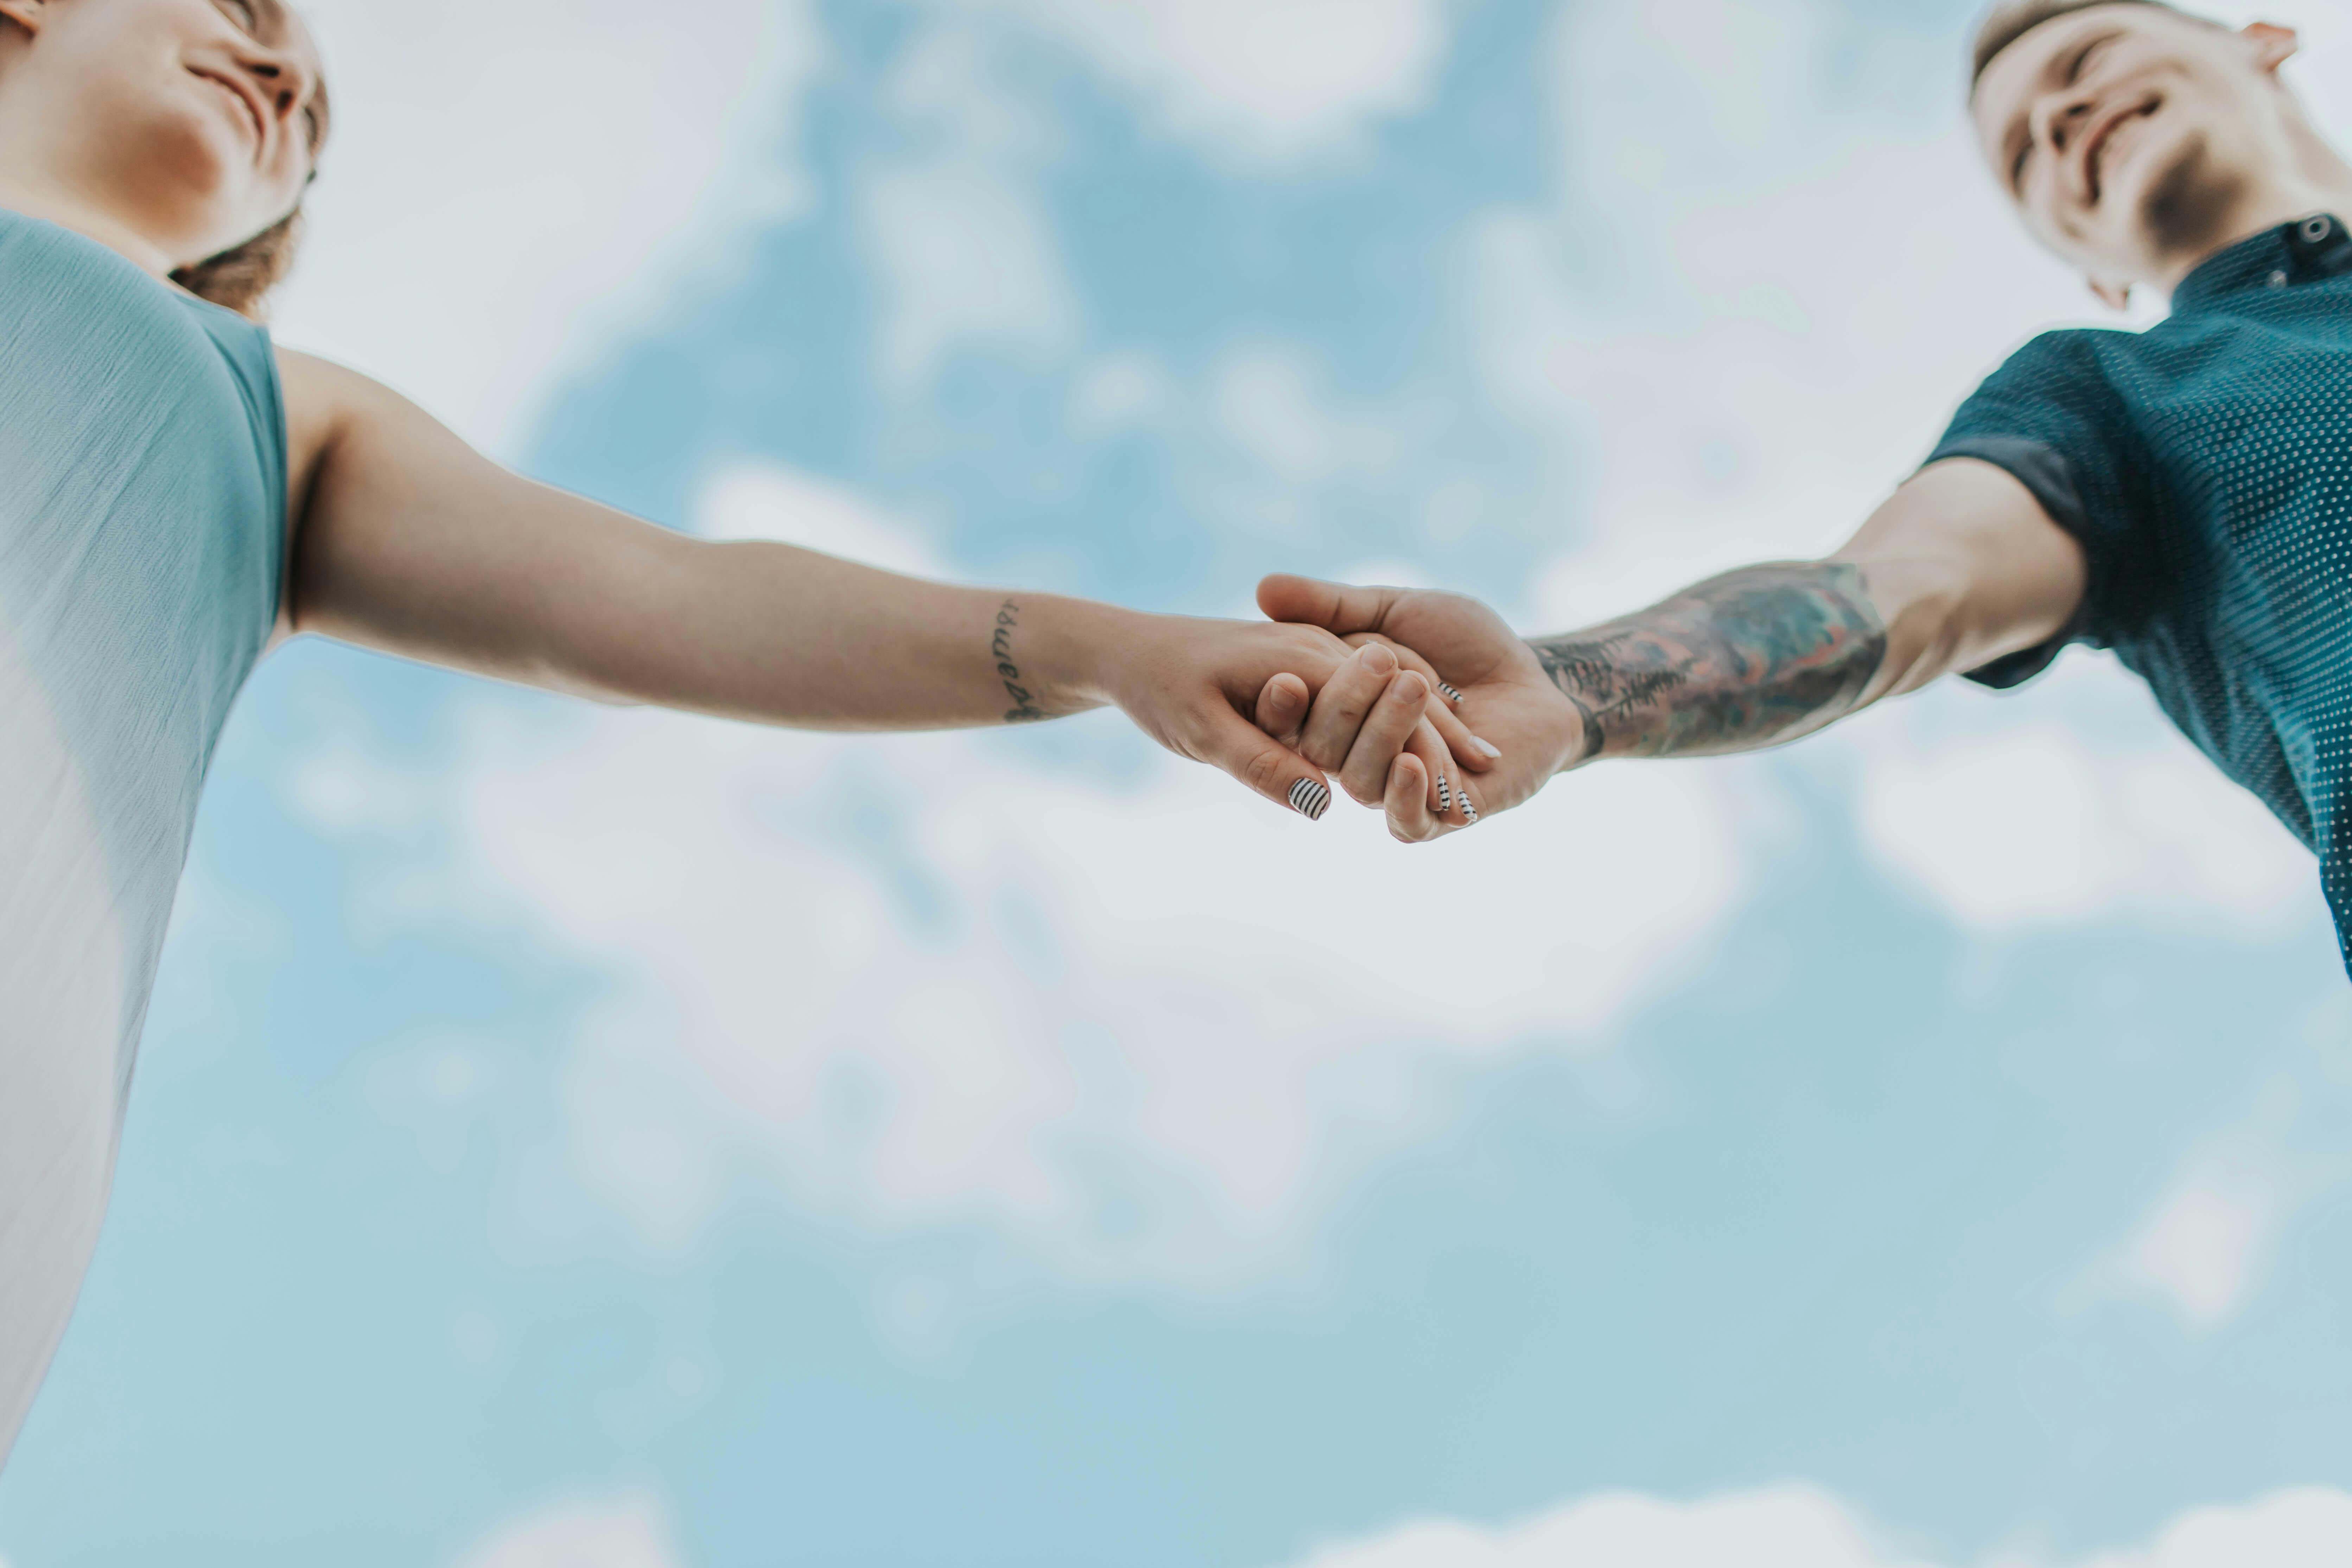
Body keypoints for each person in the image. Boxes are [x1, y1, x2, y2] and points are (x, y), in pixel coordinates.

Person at [0, 0, 1506, 1466]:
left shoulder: (277, 421)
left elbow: (673, 596)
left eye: (316, 117)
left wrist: (1115, 650)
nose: (285, 83)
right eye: (244, 10)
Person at [1267, 0, 2352, 988]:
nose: (2059, 119)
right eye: (2025, 156)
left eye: (2087, 60)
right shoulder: (2108, 400)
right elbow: (1900, 587)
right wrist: (1570, 685)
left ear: (2261, 42)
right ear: (2092, 271)